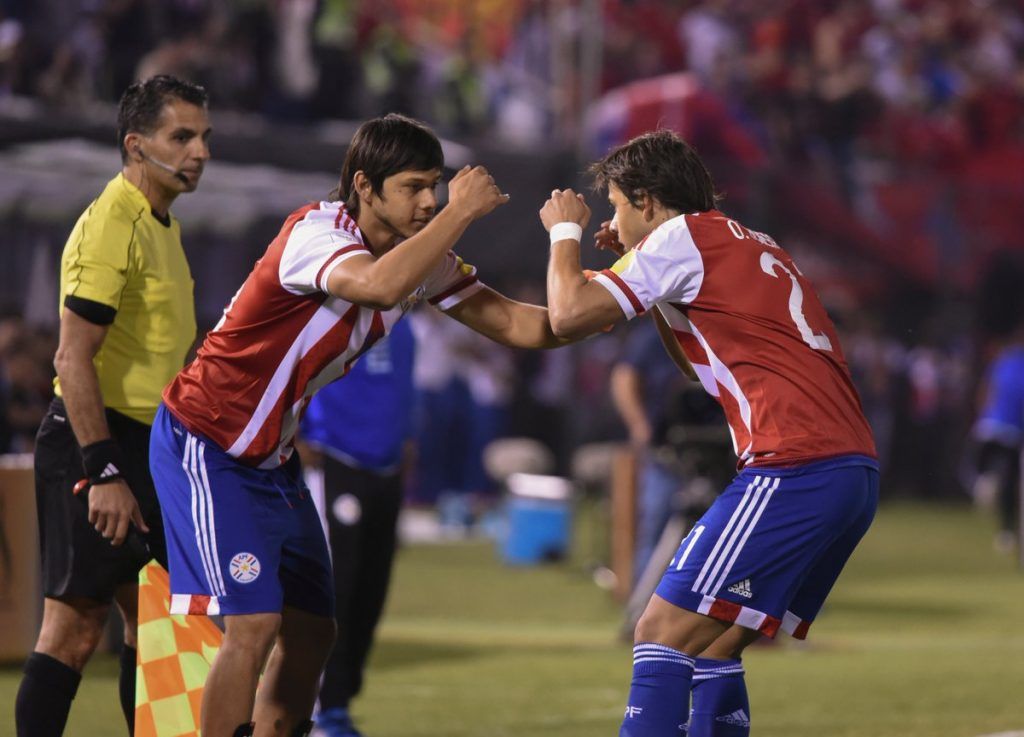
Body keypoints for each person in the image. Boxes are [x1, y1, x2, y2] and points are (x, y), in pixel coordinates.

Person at [148, 113, 569, 737]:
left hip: (271, 460)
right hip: (207, 443)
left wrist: (613, 281)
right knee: (255, 625)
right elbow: (375, 287)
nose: (430, 200)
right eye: (415, 186)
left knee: (315, 629)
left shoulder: (414, 259)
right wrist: (460, 212)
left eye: (437, 185)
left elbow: (523, 327)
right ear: (365, 187)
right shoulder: (316, 232)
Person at [541, 129, 878, 737]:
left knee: (659, 632)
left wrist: (564, 233)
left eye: (617, 203)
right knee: (714, 646)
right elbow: (694, 362)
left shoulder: (680, 238)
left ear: (646, 200)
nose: (612, 219)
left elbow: (565, 316)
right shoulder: (743, 239)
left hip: (792, 464)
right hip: (849, 470)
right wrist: (652, 286)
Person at [16, 75, 211, 737]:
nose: (199, 151)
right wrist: (102, 470)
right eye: (180, 136)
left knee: (156, 628)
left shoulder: (165, 224)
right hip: (94, 443)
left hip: (151, 448)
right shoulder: (110, 224)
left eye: (203, 136)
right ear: (136, 145)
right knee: (72, 630)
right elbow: (72, 358)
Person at [299, 318, 416, 737]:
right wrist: (298, 433)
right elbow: (297, 366)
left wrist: (407, 438)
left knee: (371, 589)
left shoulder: (402, 321)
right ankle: (316, 707)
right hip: (336, 456)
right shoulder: (333, 304)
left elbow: (403, 386)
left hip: (386, 464)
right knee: (335, 589)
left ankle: (339, 703)